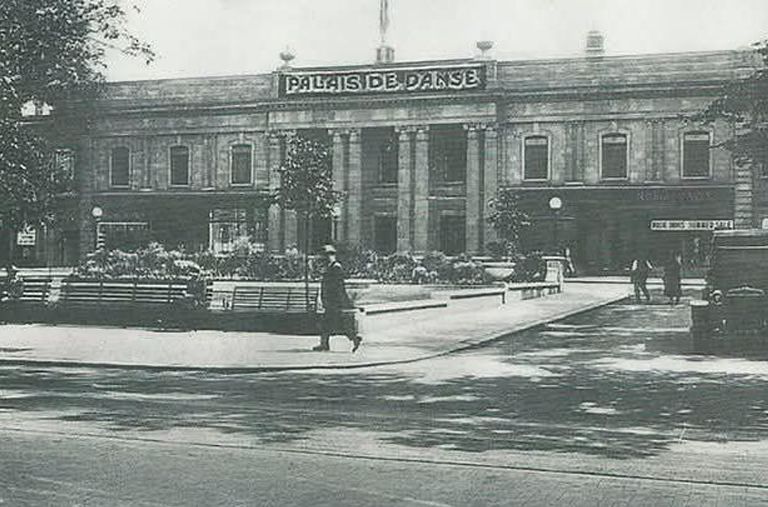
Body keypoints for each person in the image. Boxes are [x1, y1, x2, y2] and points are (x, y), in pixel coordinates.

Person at [314, 244, 362, 352]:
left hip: (334, 301)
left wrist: (342, 301)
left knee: (333, 323)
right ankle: (326, 344)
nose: (323, 259)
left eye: (325, 256)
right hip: (330, 301)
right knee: (333, 323)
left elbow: (338, 286)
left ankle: (354, 338)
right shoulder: (330, 267)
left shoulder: (336, 267)